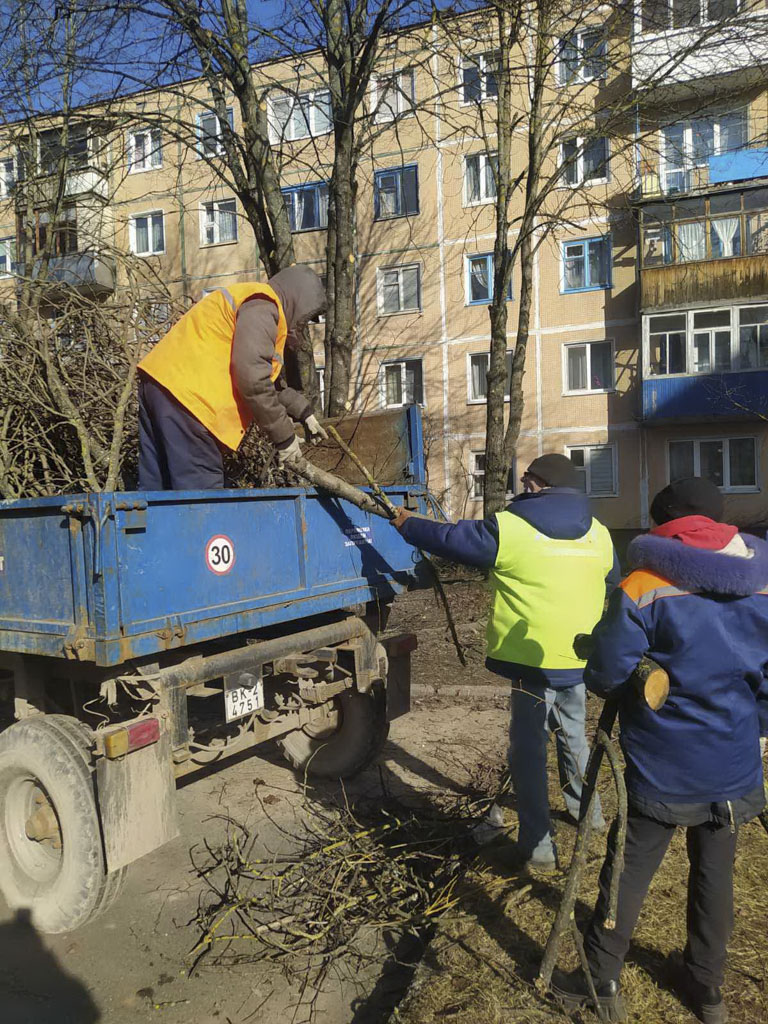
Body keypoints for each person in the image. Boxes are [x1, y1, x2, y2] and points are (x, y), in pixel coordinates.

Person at [551, 477, 768, 1024]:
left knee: (627, 870)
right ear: (722, 520)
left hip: (662, 765)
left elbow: (608, 671)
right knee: (716, 874)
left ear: (661, 523)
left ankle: (597, 980)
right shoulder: (763, 580)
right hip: (733, 762)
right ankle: (707, 987)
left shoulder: (643, 583)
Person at [391, 452, 619, 872]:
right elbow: (611, 581)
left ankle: (538, 848)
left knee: (528, 754)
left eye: (526, 479)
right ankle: (590, 813)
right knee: (574, 736)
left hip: (531, 662)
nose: (522, 485)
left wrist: (408, 524)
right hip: (578, 659)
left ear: (536, 484)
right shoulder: (600, 533)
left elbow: (452, 539)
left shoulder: (511, 528)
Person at [137, 265, 327, 490]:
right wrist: (284, 438)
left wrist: (304, 413)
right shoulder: (264, 305)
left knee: (155, 490)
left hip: (160, 386)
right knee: (200, 496)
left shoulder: (253, 303)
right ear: (298, 302)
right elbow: (253, 378)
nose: (302, 325)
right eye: (305, 318)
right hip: (192, 403)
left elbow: (265, 383)